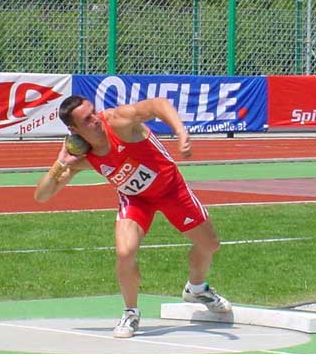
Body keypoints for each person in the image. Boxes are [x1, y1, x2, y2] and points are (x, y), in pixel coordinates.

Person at [35, 95, 231, 338]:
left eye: (93, 112)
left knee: (210, 245)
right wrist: (60, 163)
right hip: (135, 199)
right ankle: (131, 312)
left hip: (171, 189)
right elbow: (42, 195)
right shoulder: (84, 156)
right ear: (73, 129)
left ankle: (197, 288)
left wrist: (180, 131)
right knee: (125, 252)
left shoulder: (119, 121)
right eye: (86, 120)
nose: (95, 119)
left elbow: (158, 104)